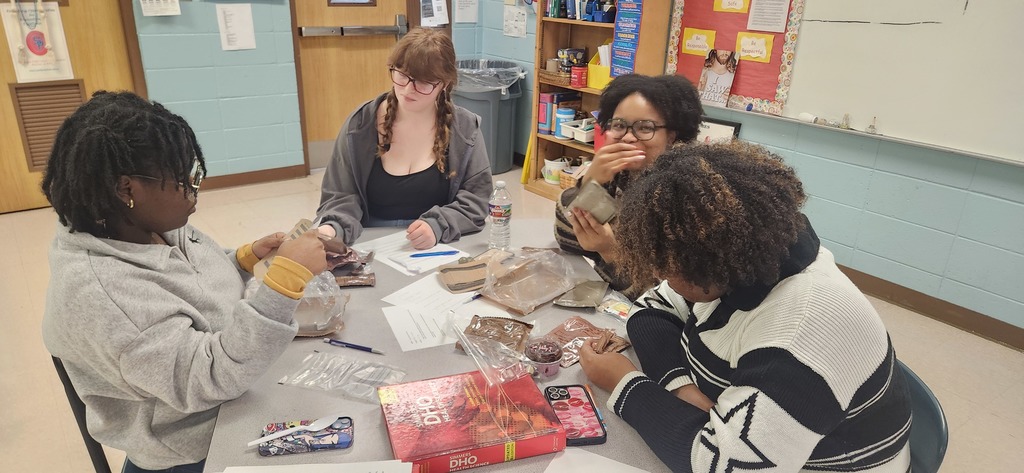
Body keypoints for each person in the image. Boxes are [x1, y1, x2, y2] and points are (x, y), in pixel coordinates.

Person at [579, 142, 912, 472]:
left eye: (665, 268)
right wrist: (681, 389)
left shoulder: (800, 335)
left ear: (705, 262)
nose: (658, 276)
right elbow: (651, 307)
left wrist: (625, 383)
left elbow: (721, 465)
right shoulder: (742, 264)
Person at [40, 91, 328, 473]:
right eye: (185, 180)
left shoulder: (137, 225)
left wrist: (244, 260)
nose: (196, 189)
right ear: (127, 189)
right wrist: (285, 282)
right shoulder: (103, 296)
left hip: (238, 387)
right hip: (194, 446)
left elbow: (190, 286)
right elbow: (211, 377)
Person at [316, 28, 492, 250]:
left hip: (437, 245)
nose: (409, 89)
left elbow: (476, 200)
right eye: (402, 75)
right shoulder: (359, 126)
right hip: (367, 243)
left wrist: (438, 225)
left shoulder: (465, 130)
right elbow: (340, 194)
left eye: (424, 82)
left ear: (445, 84)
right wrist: (332, 228)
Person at [555, 73, 703, 298]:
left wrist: (611, 252)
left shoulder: (685, 194)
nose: (628, 137)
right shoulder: (619, 175)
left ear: (672, 136)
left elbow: (668, 296)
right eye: (619, 125)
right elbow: (568, 239)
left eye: (645, 127)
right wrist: (590, 184)